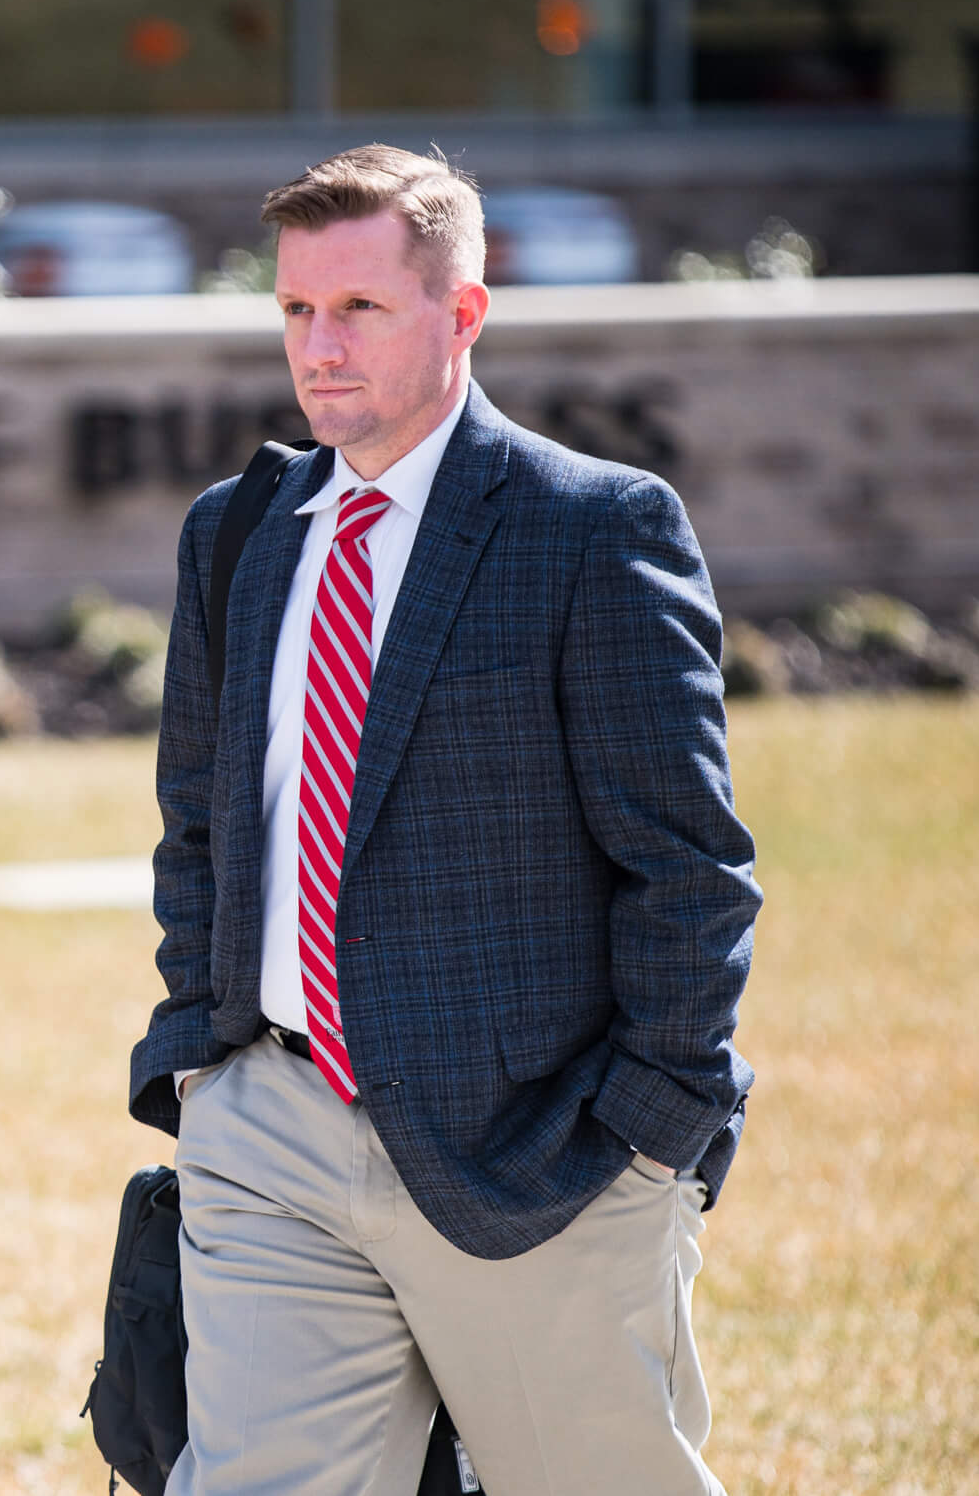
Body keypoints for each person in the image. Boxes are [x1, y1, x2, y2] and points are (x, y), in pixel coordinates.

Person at [130, 144, 760, 1496]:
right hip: (273, 1133)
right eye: (296, 310)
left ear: (461, 313)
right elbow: (198, 824)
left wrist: (647, 1131)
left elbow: (686, 866)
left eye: (358, 308)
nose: (319, 347)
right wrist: (205, 1061)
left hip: (537, 1149)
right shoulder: (235, 536)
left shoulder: (589, 528)